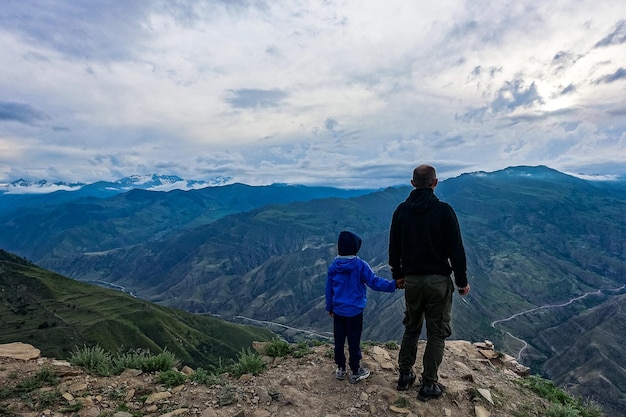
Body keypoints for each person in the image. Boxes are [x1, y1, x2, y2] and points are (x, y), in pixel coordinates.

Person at [389, 164, 470, 402]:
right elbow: (456, 250)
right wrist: (462, 280)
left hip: (412, 281)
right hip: (438, 282)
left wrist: (398, 274)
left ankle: (405, 375)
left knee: (411, 328)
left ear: (412, 183)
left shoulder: (401, 211)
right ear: (435, 183)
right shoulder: (444, 211)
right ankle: (429, 385)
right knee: (436, 334)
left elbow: (394, 247)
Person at [326, 230, 397, 384]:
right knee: (353, 341)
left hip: (338, 311)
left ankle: (340, 368)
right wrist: (393, 285)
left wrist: (329, 306)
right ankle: (356, 370)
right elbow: (374, 282)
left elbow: (329, 288)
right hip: (355, 312)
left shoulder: (334, 266)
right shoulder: (360, 265)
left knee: (339, 340)